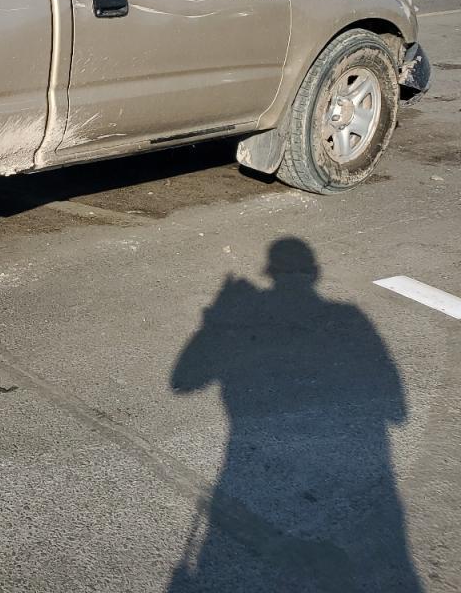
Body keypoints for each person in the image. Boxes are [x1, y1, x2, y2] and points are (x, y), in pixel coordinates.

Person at [168, 237, 420, 592]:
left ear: (270, 272)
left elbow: (183, 380)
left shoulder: (245, 319)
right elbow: (398, 411)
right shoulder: (351, 318)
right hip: (361, 483)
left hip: (254, 470)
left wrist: (214, 318)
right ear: (314, 273)